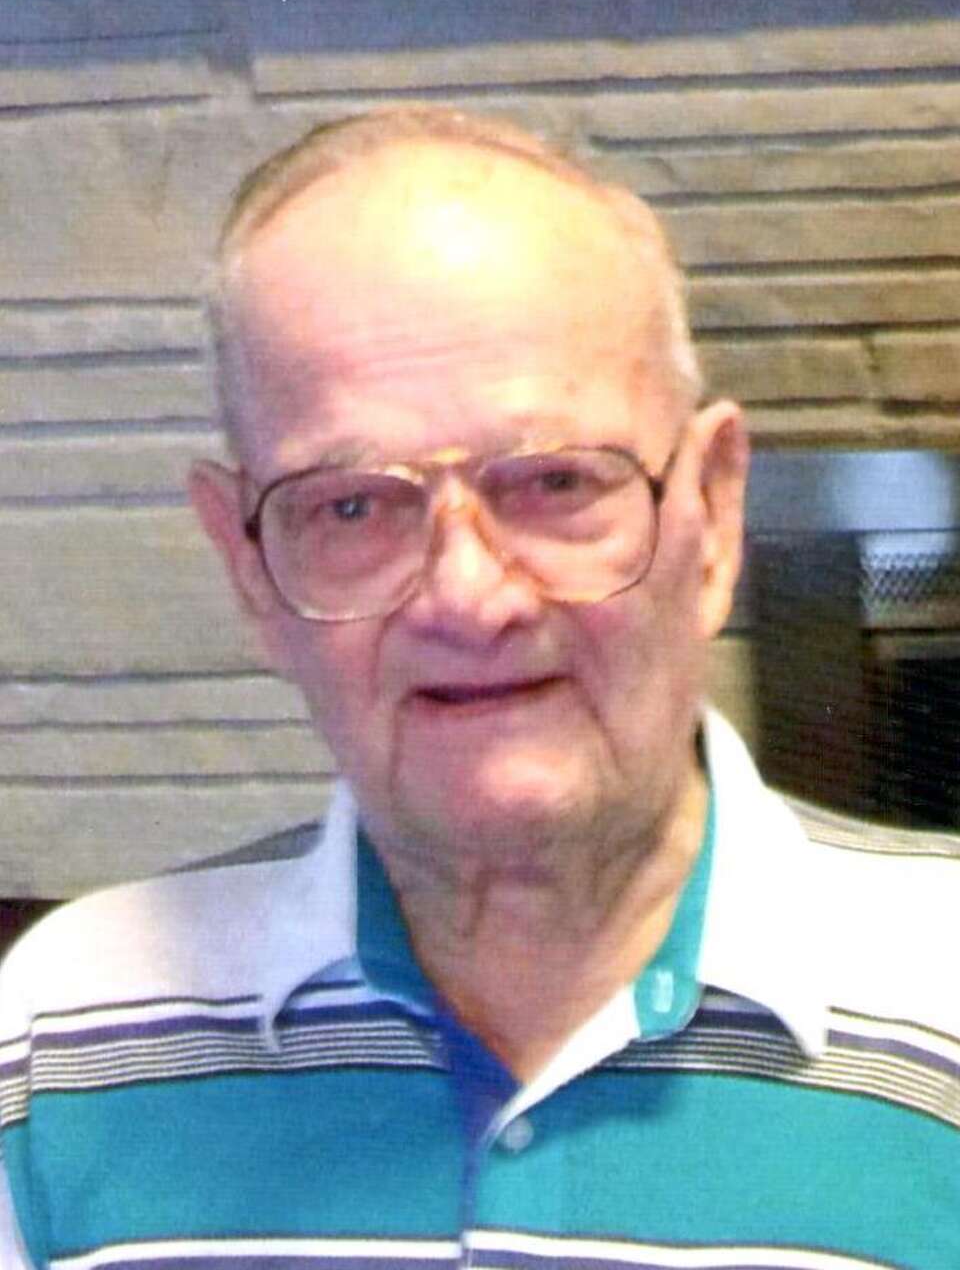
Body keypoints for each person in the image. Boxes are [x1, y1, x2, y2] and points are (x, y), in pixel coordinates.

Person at [0, 106, 957, 1270]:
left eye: (556, 482)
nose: (469, 595)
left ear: (712, 515)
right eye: (353, 504)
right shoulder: (62, 1032)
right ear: (250, 565)